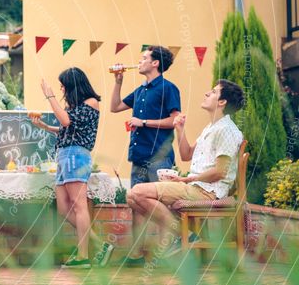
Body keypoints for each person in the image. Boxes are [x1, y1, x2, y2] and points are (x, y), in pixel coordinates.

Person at [124, 80, 245, 264]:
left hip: (207, 192)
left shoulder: (227, 131)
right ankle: (188, 234)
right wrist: (179, 129)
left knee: (137, 192)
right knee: (132, 197)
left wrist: (186, 180)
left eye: (213, 92)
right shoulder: (211, 128)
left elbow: (220, 172)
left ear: (222, 102)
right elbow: (186, 154)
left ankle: (186, 235)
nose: (207, 94)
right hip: (195, 185)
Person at [31, 68, 114, 268]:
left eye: (63, 86)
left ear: (73, 85)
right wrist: (45, 127)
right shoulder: (77, 106)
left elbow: (66, 120)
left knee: (79, 206)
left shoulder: (91, 102)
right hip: (64, 154)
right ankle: (101, 245)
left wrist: (49, 95)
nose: (61, 89)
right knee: (63, 208)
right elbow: (67, 127)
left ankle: (83, 256)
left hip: (76, 155)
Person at [110, 45, 182, 186]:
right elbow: (115, 107)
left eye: (144, 58)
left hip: (159, 159)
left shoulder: (168, 88)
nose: (140, 62)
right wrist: (118, 81)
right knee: (136, 203)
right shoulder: (140, 90)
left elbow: (175, 120)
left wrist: (143, 122)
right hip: (138, 158)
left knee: (157, 203)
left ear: (155, 63)